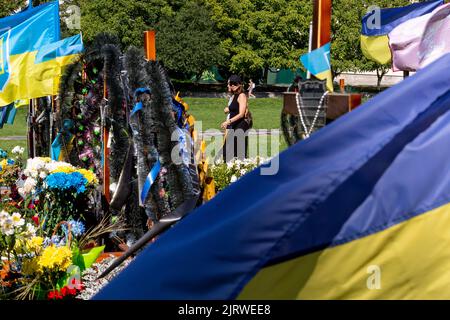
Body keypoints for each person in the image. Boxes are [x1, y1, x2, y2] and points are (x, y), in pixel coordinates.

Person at [221, 75, 249, 162]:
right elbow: (234, 109)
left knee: (237, 153)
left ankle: (240, 171)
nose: (229, 86)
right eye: (229, 84)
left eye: (232, 84)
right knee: (227, 151)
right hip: (234, 126)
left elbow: (241, 114)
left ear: (237, 85)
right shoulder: (235, 96)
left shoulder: (242, 96)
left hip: (240, 126)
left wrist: (228, 122)